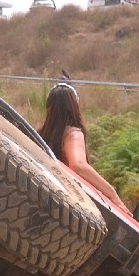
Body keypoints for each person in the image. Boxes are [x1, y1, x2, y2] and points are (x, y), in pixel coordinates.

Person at [36, 83, 130, 212]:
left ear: (49, 107)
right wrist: (112, 194)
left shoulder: (39, 135)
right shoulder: (72, 134)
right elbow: (78, 165)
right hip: (64, 206)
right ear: (74, 107)